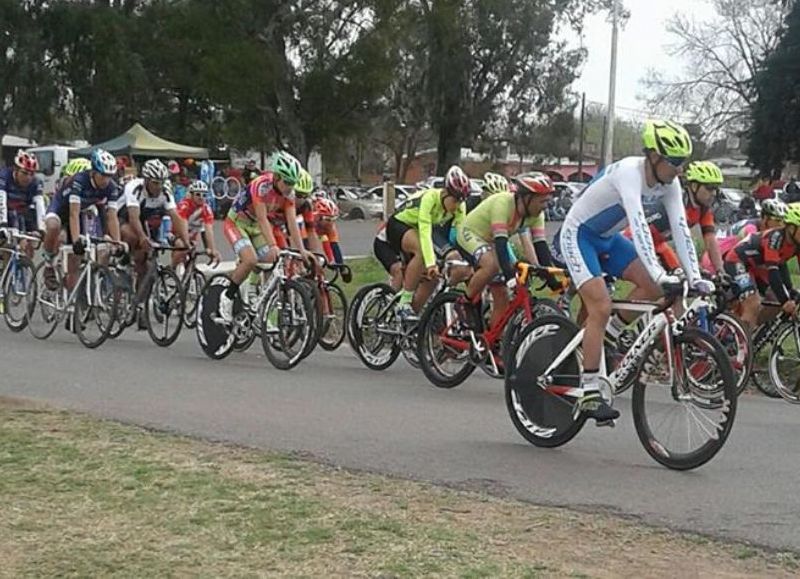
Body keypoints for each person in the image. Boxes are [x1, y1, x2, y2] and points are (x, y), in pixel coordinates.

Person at [559, 119, 712, 424]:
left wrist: (695, 278)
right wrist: (659, 272)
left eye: (684, 163)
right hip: (578, 235)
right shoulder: (630, 172)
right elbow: (639, 226)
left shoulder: (670, 183)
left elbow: (681, 230)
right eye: (675, 162)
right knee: (600, 306)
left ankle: (607, 336)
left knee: (654, 290)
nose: (680, 170)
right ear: (654, 157)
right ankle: (589, 391)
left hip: (607, 239)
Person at [456, 174, 557, 332]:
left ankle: (493, 342)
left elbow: (541, 246)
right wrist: (510, 276)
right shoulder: (503, 203)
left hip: (491, 242)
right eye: (542, 201)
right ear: (527, 198)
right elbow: (501, 243)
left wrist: (550, 274)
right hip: (470, 234)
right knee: (491, 266)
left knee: (502, 297)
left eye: (548, 200)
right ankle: (464, 302)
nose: (546, 206)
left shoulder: (537, 215)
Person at [219, 150, 305, 322]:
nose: (290, 187)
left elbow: (292, 222)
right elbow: (262, 218)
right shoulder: (261, 185)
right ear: (277, 177)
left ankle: (256, 299)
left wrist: (302, 250)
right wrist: (273, 244)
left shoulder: (289, 193)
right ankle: (227, 297)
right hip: (237, 223)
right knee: (250, 259)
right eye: (287, 182)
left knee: (272, 261)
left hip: (255, 228)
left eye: (293, 183)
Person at [386, 165, 470, 319]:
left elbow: (460, 235)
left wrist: (468, 259)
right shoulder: (430, 198)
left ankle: (413, 317)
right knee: (422, 253)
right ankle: (404, 303)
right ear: (445, 193)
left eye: (461, 200)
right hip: (399, 224)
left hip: (419, 230)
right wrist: (430, 263)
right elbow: (425, 233)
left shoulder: (460, 206)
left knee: (434, 277)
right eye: (455, 200)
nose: (458, 205)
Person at [42, 148, 123, 290]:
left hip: (81, 213)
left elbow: (112, 217)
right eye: (103, 175)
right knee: (56, 229)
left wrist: (117, 242)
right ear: (93, 172)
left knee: (88, 252)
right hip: (60, 210)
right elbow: (73, 213)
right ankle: (48, 264)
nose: (106, 180)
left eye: (110, 176)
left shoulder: (111, 187)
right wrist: (76, 242)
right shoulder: (79, 180)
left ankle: (79, 298)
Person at [630, 160, 726, 275]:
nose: (714, 193)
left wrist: (720, 270)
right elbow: (639, 232)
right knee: (656, 286)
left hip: (659, 245)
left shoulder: (703, 209)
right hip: (637, 242)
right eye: (710, 188)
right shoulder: (677, 204)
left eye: (716, 189)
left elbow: (710, 240)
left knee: (684, 282)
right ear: (694, 186)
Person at [723, 203, 800, 329]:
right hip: (737, 261)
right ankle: (743, 346)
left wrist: (791, 291)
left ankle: (749, 331)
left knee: (773, 302)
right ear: (791, 228)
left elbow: (782, 266)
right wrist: (786, 301)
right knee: (752, 303)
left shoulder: (796, 244)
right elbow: (773, 272)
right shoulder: (775, 238)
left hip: (756, 267)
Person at [119, 159, 191, 287]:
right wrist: (142, 238)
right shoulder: (134, 187)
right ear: (146, 180)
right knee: (134, 237)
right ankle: (123, 262)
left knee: (145, 266)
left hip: (145, 218)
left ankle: (139, 302)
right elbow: (133, 218)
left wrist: (186, 242)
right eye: (155, 183)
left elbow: (176, 217)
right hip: (124, 216)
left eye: (161, 183)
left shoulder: (165, 191)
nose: (159, 187)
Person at [701, 199, 786, 273]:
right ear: (765, 218)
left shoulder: (763, 229)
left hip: (727, 257)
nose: (781, 225)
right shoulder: (751, 229)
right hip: (715, 257)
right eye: (777, 220)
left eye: (783, 221)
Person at [0, 150, 45, 255]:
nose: (28, 177)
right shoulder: (4, 176)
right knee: (7, 244)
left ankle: (23, 265)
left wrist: (42, 229)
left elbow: (40, 205)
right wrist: (2, 224)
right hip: (4, 210)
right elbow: (1, 200)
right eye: (24, 173)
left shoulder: (36, 182)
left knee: (28, 247)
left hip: (20, 214)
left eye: (31, 174)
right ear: (16, 169)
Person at [173, 180, 221, 266]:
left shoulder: (206, 209)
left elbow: (208, 231)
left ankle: (189, 274)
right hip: (176, 233)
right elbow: (181, 224)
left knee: (191, 260)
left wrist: (212, 249)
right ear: (192, 195)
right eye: (198, 194)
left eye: (204, 195)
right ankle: (171, 269)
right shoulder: (185, 205)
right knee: (182, 247)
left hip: (191, 235)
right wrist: (187, 243)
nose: (201, 197)